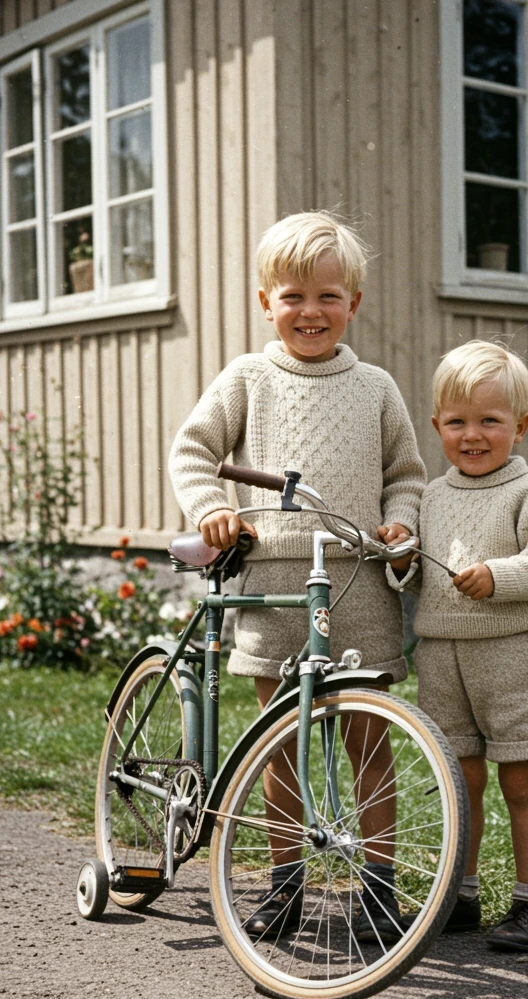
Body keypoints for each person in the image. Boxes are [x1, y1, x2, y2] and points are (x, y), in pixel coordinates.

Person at [168, 211, 426, 942]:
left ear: (354, 304)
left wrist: (400, 524)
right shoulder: (248, 378)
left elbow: (405, 475)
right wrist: (214, 507)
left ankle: (379, 888)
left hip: (358, 585)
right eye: (292, 297)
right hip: (276, 582)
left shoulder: (376, 387)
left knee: (368, 743)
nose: (309, 312)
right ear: (264, 302)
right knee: (277, 742)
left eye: (327, 297)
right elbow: (193, 451)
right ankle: (285, 885)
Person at [388, 339, 528, 951]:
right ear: (437, 424)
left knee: (520, 781)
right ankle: (460, 894)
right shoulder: (431, 497)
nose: (473, 435)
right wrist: (401, 557)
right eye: (458, 422)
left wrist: (498, 576)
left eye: (490, 421)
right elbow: (415, 575)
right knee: (459, 780)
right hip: (442, 658)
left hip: (512, 656)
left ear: (518, 427)